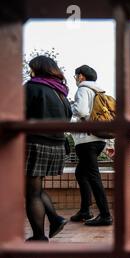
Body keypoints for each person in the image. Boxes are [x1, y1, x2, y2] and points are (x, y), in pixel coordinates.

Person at [25, 55, 72, 241]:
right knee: (36, 189)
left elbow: (16, 113)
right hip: (57, 145)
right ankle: (54, 218)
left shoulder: (32, 87)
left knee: (31, 193)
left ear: (37, 69)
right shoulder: (61, 93)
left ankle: (39, 236)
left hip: (35, 143)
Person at [69, 65, 113, 226]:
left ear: (81, 76)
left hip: (86, 140)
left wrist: (70, 107)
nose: (75, 79)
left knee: (93, 177)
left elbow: (80, 111)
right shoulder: (99, 92)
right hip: (99, 139)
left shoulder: (83, 89)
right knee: (81, 173)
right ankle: (85, 210)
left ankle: (105, 215)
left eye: (75, 76)